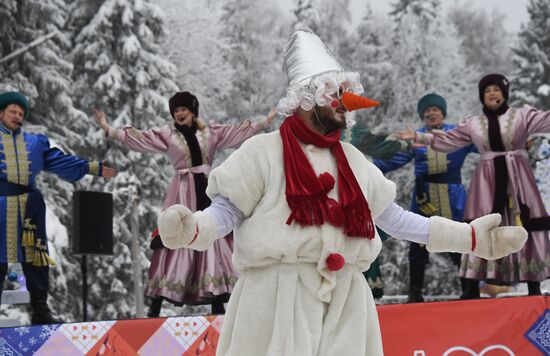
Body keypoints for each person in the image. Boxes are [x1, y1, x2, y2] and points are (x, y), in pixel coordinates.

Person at [157, 30, 526, 356]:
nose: (344, 104)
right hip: (277, 298)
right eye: (334, 95)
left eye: (344, 95)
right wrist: (194, 228)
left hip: (347, 298)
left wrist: (471, 237)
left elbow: (394, 219)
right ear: (306, 98)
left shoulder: (353, 160)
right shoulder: (261, 153)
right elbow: (226, 212)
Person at [95, 92, 275, 316]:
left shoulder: (210, 132)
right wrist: (110, 130)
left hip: (206, 189)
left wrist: (263, 123)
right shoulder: (167, 135)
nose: (179, 114)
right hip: (182, 191)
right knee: (175, 235)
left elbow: (235, 133)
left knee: (212, 235)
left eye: (183, 109)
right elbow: (142, 138)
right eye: (176, 110)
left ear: (192, 111)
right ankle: (157, 302)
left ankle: (217, 299)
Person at [398, 74, 550, 299]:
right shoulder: (474, 124)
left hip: (518, 174)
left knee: (525, 220)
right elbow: (450, 139)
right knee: (480, 226)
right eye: (487, 90)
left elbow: (546, 120)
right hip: (487, 179)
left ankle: (533, 284)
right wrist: (421, 137)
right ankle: (470, 287)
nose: (492, 93)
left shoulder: (522, 115)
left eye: (496, 89)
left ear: (504, 93)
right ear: (482, 96)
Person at [0, 91, 117, 324]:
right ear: (1, 113)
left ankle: (41, 313)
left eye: (21, 113)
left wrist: (92, 167)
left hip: (28, 207)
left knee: (35, 260)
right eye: (13, 111)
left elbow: (61, 161)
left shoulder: (36, 142)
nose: (17, 116)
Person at [373, 93, 477, 302]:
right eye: (427, 111)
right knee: (417, 242)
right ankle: (415, 292)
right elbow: (392, 160)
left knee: (460, 238)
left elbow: (484, 144)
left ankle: (470, 290)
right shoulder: (415, 137)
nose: (431, 113)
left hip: (453, 194)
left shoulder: (457, 134)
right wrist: (367, 165)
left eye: (435, 110)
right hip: (424, 195)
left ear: (443, 113)